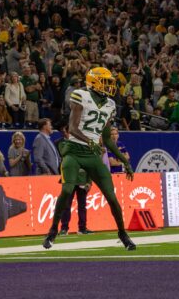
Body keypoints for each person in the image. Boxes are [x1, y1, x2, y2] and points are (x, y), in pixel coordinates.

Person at [42, 67, 136, 250]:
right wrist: (90, 141)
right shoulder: (80, 95)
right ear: (94, 82)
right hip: (74, 151)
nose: (109, 86)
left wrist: (125, 161)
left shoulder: (109, 104)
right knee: (68, 189)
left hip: (92, 155)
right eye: (106, 82)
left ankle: (123, 234)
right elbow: (73, 128)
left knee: (111, 196)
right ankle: (52, 231)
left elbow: (107, 139)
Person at [54, 121, 91, 235]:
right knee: (66, 205)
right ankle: (64, 228)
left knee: (82, 205)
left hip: (81, 178)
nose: (67, 133)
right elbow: (64, 153)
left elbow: (88, 162)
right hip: (69, 178)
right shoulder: (60, 143)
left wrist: (89, 180)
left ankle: (82, 227)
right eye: (66, 131)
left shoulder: (82, 143)